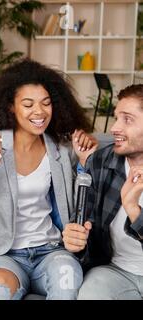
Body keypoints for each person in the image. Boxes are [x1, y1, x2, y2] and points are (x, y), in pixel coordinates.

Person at [0, 59, 98, 300]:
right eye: (28, 104)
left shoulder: (61, 146)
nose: (40, 112)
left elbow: (78, 205)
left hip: (51, 252)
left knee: (66, 280)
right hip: (1, 255)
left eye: (46, 103)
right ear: (11, 107)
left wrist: (84, 163)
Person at [63, 84, 143, 300]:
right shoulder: (100, 162)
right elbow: (84, 220)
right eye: (116, 118)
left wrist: (135, 213)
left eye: (127, 119)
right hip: (116, 271)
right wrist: (77, 241)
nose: (114, 128)